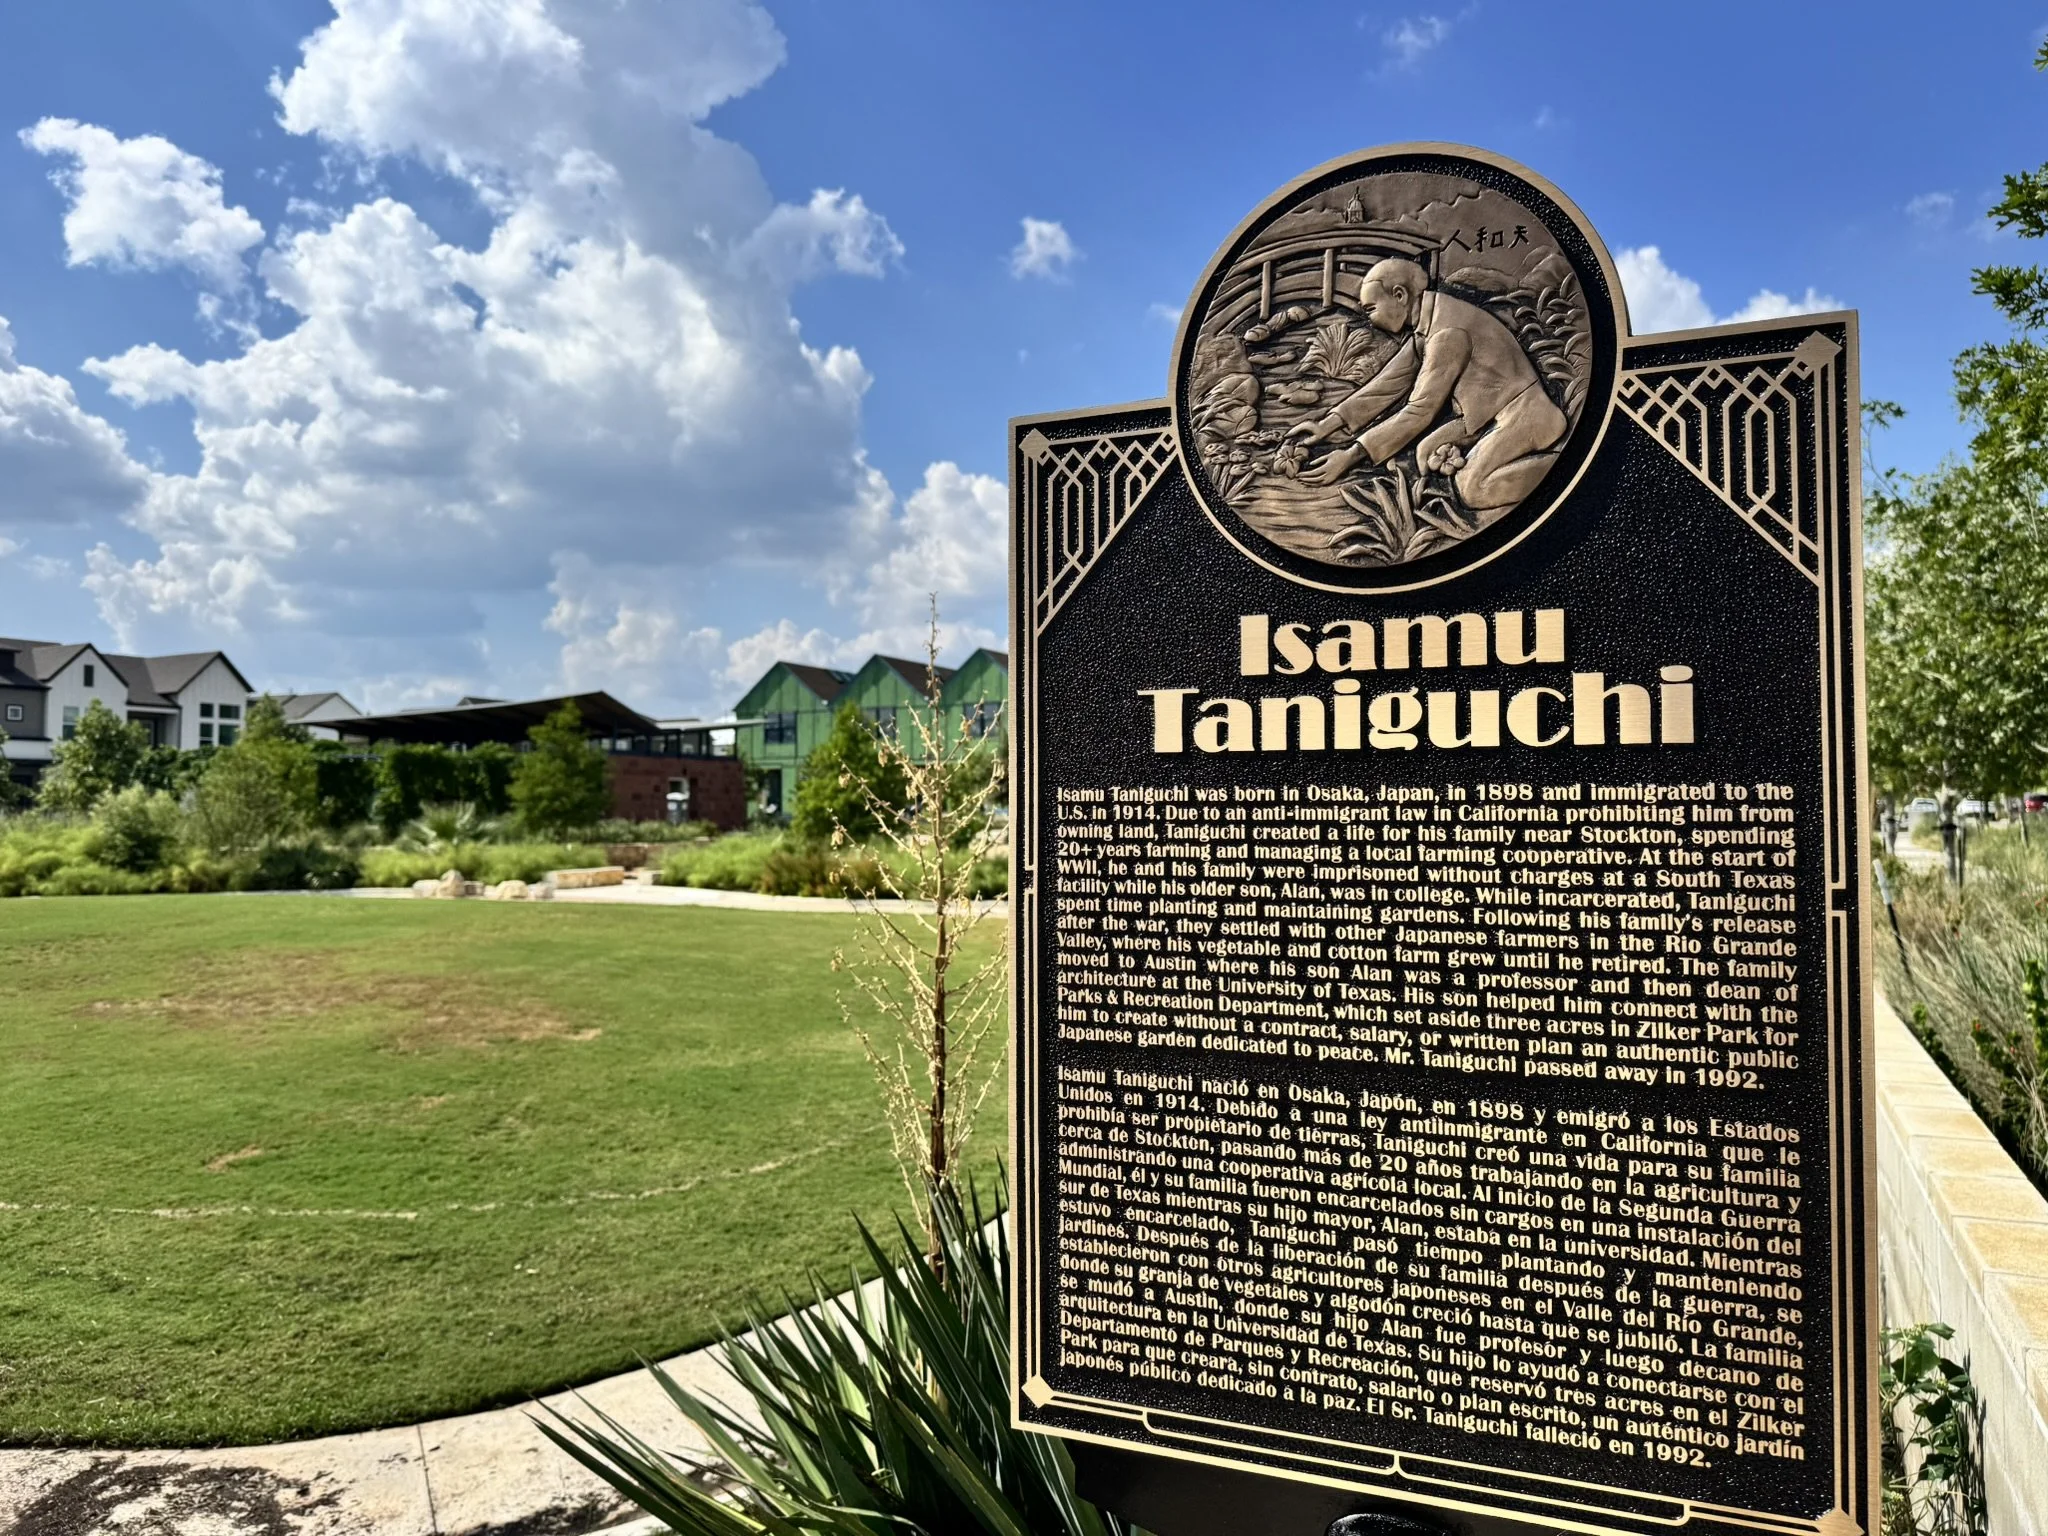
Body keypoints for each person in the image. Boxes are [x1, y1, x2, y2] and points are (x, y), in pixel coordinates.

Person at [1287, 257, 1567, 512]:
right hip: (1486, 413)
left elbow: (1420, 410)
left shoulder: (1446, 333)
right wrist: (1328, 424)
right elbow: (1387, 385)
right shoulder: (1430, 321)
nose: (1367, 319)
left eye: (1370, 309)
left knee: (1471, 488)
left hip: (1525, 415)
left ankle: (1565, 464)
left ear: (1399, 295)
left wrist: (1350, 456)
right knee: (1423, 454)